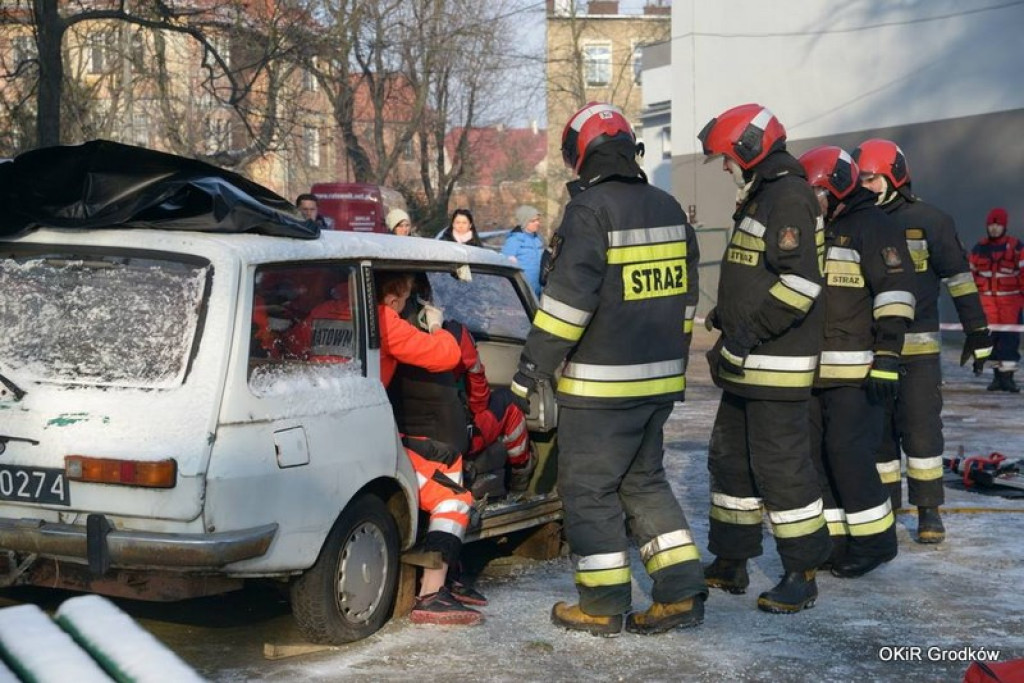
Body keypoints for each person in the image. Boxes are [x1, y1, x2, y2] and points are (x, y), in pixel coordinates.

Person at [511, 102, 705, 636]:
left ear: (581, 154)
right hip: (659, 384)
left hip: (599, 389)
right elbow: (686, 302)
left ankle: (601, 605)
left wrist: (531, 369)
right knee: (645, 484)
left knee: (589, 492)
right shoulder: (668, 207)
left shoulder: (589, 212)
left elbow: (568, 305)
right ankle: (682, 594)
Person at [698, 103, 830, 614]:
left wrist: (745, 332)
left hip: (775, 363)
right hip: (748, 360)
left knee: (782, 471)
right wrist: (724, 316)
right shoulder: (762, 196)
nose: (726, 167)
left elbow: (800, 285)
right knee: (730, 465)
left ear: (749, 150)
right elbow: (758, 274)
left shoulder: (788, 197)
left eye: (728, 158)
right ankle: (731, 562)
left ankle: (803, 572)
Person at [853, 139, 992, 543]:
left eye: (872, 178)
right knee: (877, 434)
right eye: (861, 179)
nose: (866, 186)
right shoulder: (858, 222)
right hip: (873, 348)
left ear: (895, 176)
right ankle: (885, 510)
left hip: (918, 353)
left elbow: (960, 280)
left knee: (922, 433)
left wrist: (977, 331)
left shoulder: (931, 220)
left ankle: (929, 512)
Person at [798, 146, 915, 579]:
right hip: (813, 370)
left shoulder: (874, 227)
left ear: (833, 188)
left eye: (816, 193)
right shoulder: (819, 228)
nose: (812, 202)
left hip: (859, 369)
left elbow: (895, 294)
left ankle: (875, 543)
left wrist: (887, 356)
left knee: (848, 454)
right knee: (820, 458)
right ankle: (836, 542)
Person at [375, 271, 482, 625]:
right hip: (369, 436)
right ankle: (433, 594)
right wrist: (436, 326)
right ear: (392, 300)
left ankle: (448, 576)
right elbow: (447, 356)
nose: (406, 305)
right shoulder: (386, 321)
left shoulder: (333, 311)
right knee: (454, 498)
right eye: (405, 299)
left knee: (440, 462)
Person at [969, 207, 1022, 392]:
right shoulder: (979, 248)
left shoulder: (1016, 247)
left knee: (1009, 339)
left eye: (997, 225)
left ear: (1004, 226)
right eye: (991, 224)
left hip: (1010, 301)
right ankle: (996, 378)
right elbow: (971, 273)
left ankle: (1008, 378)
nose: (994, 228)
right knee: (991, 339)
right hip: (987, 301)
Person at [501, 205, 546, 296]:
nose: (537, 223)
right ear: (524, 222)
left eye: (538, 220)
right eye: (533, 221)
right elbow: (505, 264)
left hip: (540, 288)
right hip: (523, 288)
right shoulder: (514, 239)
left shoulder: (538, 239)